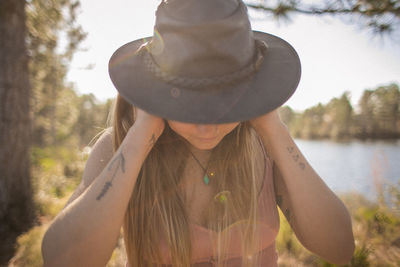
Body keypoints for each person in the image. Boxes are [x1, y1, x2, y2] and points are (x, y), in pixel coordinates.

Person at [41, 0, 355, 266]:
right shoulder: (121, 147)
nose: (208, 126)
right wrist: (140, 137)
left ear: (248, 92)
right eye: (190, 106)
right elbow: (61, 258)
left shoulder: (263, 146)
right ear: (158, 93)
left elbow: (339, 247)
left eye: (224, 103)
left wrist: (273, 128)